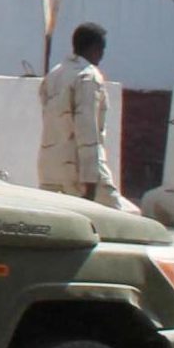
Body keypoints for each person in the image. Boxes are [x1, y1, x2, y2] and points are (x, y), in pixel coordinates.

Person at [40, 22, 138, 211]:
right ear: (94, 48)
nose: (102, 55)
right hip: (78, 171)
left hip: (50, 169)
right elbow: (87, 129)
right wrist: (90, 179)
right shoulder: (88, 77)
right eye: (102, 49)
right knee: (122, 221)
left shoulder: (55, 74)